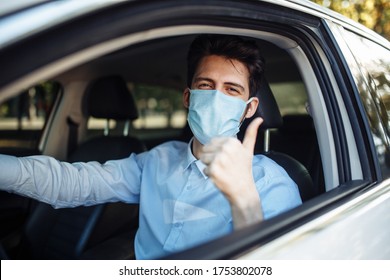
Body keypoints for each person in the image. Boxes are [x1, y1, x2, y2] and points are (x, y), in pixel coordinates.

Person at [0, 34, 302, 259]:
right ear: (188, 98)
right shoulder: (156, 160)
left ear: (249, 109)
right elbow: (75, 182)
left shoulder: (273, 184)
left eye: (231, 90)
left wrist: (243, 201)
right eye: (206, 86)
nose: (215, 98)